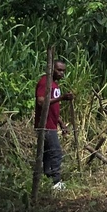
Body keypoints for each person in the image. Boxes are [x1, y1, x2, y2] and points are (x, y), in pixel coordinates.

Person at [35, 61, 73, 190]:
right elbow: (41, 102)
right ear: (51, 69)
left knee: (47, 154)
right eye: (59, 70)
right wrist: (61, 98)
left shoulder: (55, 85)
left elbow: (53, 109)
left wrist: (61, 123)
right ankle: (56, 182)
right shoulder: (45, 82)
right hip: (45, 125)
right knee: (56, 152)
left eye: (63, 71)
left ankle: (46, 177)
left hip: (52, 124)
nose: (61, 73)